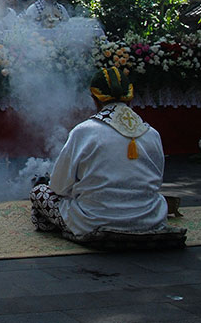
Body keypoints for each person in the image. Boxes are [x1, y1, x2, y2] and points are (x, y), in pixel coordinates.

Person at [30, 67, 169, 241]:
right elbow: (156, 181)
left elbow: (58, 187)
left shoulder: (84, 131)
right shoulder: (152, 134)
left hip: (94, 221)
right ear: (130, 98)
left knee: (39, 192)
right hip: (150, 218)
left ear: (95, 99)